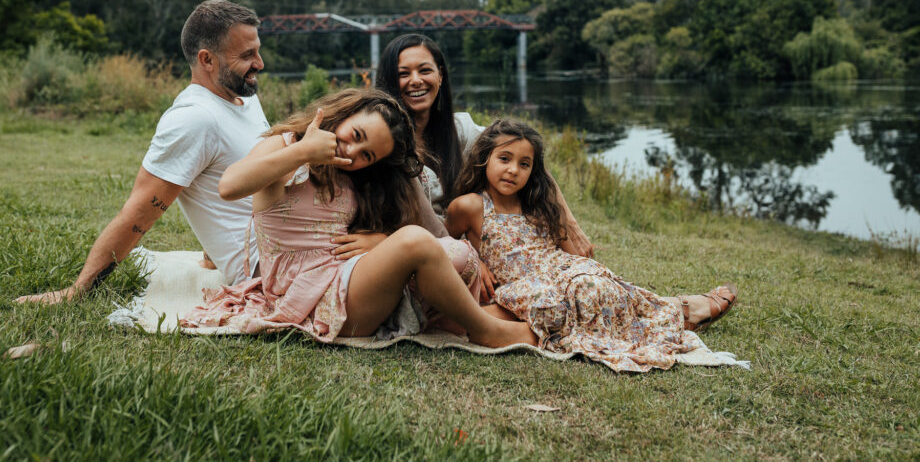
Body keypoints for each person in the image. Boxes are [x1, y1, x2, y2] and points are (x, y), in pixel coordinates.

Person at [181, 88, 537, 348]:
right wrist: (303, 151)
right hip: (306, 293)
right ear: (344, 113)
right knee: (415, 241)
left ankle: (463, 319)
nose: (351, 153)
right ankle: (485, 329)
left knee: (450, 252)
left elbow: (419, 231)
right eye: (355, 136)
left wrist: (381, 242)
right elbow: (230, 186)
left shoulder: (352, 175)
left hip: (348, 277)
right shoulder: (286, 147)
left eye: (366, 155)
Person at [15, 0, 269, 304]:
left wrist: (213, 251)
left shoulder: (244, 96)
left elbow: (226, 172)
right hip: (271, 264)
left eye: (257, 50)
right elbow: (136, 215)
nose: (260, 63)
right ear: (207, 60)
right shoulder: (195, 119)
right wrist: (77, 291)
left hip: (296, 236)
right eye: (247, 55)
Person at [445, 119, 737, 373]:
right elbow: (447, 242)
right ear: (485, 158)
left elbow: (568, 251)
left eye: (524, 164)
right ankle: (680, 310)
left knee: (592, 284)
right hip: (523, 284)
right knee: (554, 302)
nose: (513, 171)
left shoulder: (535, 203)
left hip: (559, 269)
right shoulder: (470, 206)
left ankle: (671, 313)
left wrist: (587, 265)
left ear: (533, 170)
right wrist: (477, 259)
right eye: (504, 159)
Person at [374, 33, 594, 258]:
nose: (416, 80)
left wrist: (571, 225)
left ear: (440, 76)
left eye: (425, 70)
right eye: (403, 74)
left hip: (470, 244)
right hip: (418, 252)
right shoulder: (379, 140)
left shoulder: (461, 130)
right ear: (390, 81)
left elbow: (530, 163)